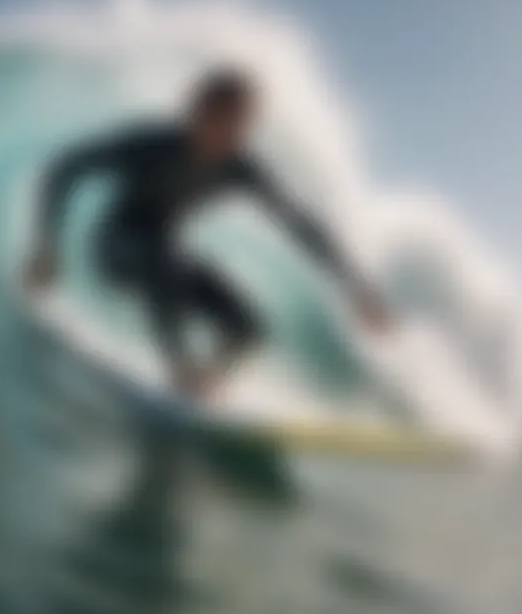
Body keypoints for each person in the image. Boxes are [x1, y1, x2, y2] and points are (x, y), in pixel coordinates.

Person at [24, 68, 390, 398]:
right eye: (222, 120)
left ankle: (207, 384)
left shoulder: (240, 167)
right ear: (196, 113)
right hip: (117, 248)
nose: (230, 135)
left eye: (240, 125)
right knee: (162, 258)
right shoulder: (149, 145)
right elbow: (64, 168)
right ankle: (181, 372)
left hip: (165, 253)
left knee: (248, 328)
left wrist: (354, 285)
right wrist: (45, 245)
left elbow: (299, 223)